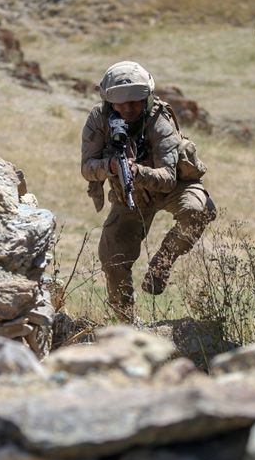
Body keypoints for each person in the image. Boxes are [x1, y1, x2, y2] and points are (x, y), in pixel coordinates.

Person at [80, 61, 216, 322]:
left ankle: (162, 264)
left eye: (136, 102)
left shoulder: (159, 120)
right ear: (110, 102)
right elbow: (87, 168)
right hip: (130, 195)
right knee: (112, 259)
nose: (129, 109)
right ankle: (127, 326)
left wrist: (138, 172)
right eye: (121, 104)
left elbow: (167, 178)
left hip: (172, 187)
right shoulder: (98, 120)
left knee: (200, 209)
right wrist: (109, 167)